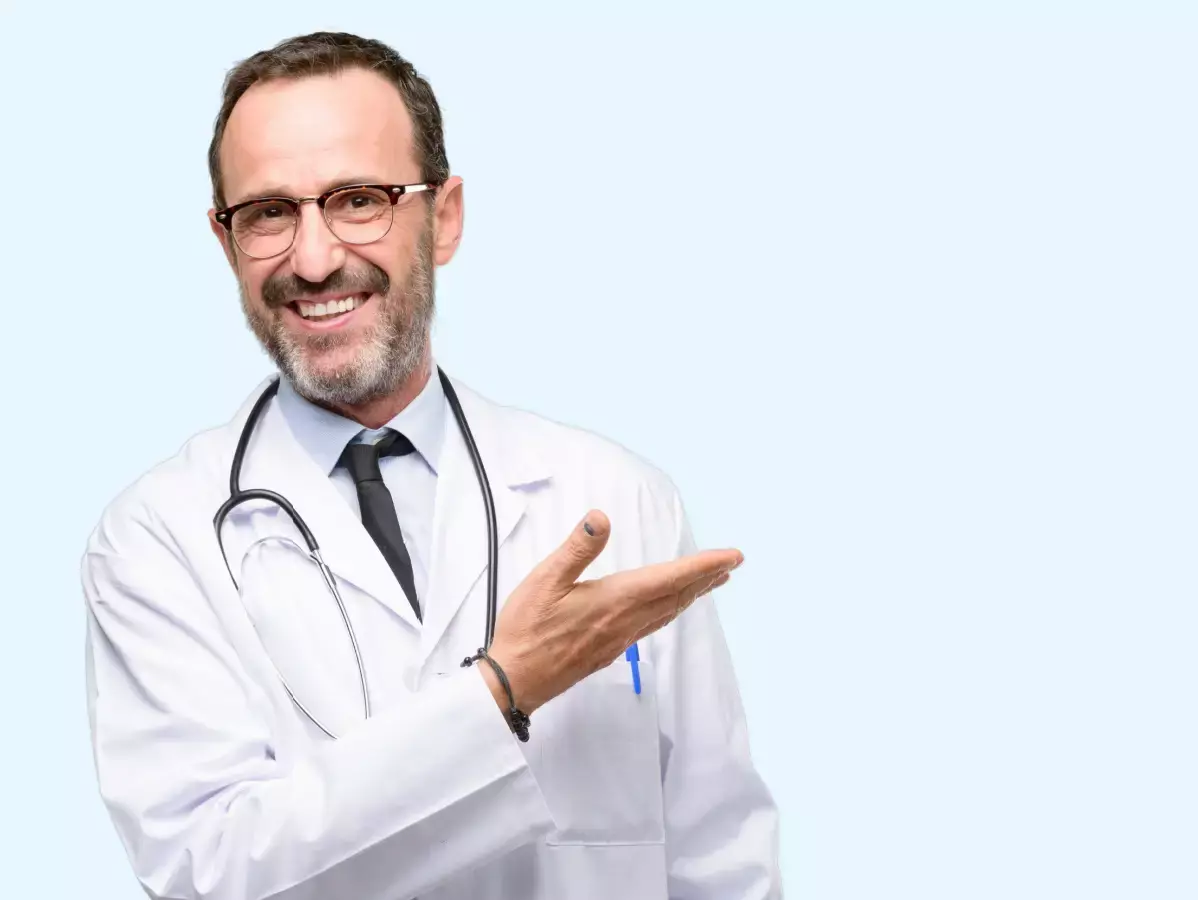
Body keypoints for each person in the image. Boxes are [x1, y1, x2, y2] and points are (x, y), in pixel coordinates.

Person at [79, 31, 781, 900]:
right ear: (227, 243)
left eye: (358, 200)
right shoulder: (156, 542)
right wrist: (500, 693)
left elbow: (722, 863)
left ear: (443, 218)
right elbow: (208, 875)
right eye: (269, 213)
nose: (313, 259)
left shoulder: (617, 498)